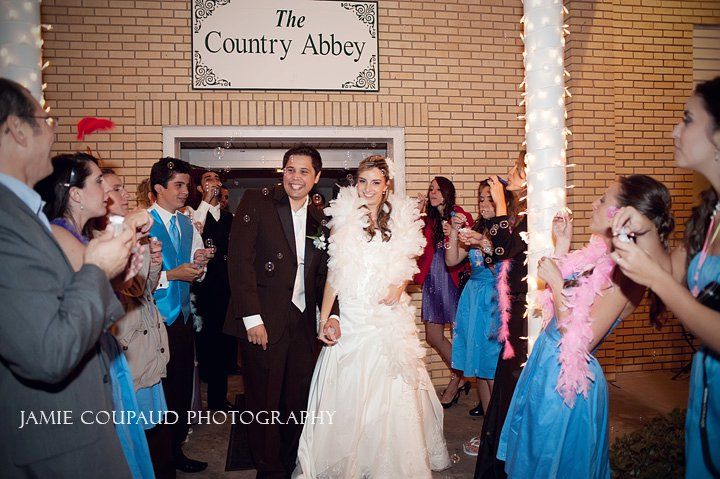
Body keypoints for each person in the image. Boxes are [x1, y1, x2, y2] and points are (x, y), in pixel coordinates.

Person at [0, 77, 143, 478]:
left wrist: (111, 277)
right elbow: (47, 352)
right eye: (43, 118)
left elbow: (57, 300)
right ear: (15, 129)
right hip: (53, 441)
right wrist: (98, 269)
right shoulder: (7, 220)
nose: (54, 129)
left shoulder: (22, 213)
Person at [497, 175, 673, 478]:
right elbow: (563, 303)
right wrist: (562, 245)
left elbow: (579, 341)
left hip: (569, 382)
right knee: (534, 457)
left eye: (604, 199)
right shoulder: (599, 256)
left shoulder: (626, 275)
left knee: (554, 463)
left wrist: (554, 281)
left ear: (623, 214)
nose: (595, 203)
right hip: (547, 364)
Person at [294, 155, 451, 478]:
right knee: (349, 391)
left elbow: (408, 261)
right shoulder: (343, 219)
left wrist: (400, 285)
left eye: (375, 182)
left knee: (393, 391)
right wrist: (325, 318)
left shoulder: (401, 220)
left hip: (387, 315)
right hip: (352, 314)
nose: (367, 188)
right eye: (362, 181)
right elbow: (335, 274)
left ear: (386, 186)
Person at [611, 76, 720, 478]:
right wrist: (643, 229)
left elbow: (664, 281)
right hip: (706, 394)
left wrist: (655, 281)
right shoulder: (709, 216)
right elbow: (671, 269)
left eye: (688, 119)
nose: (676, 130)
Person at [35, 152, 157, 479]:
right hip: (84, 349)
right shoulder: (60, 233)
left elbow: (108, 285)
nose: (107, 190)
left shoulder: (85, 233)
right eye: (99, 181)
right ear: (75, 194)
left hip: (100, 344)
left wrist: (125, 272)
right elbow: (94, 283)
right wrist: (128, 227)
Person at [223, 144, 339, 479]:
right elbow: (240, 262)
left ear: (316, 177)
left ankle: (288, 463)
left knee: (296, 401)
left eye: (304, 171)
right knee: (263, 403)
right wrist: (251, 318)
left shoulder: (322, 218)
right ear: (282, 172)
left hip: (303, 323)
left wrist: (331, 315)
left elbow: (325, 275)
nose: (295, 177)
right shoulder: (257, 203)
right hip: (263, 320)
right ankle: (268, 469)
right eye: (290, 169)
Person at [98, 169, 172, 478]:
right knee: (127, 435)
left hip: (146, 343)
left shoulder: (128, 234)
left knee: (150, 432)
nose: (126, 194)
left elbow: (143, 288)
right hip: (126, 344)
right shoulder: (99, 239)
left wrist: (152, 262)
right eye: (117, 188)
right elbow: (117, 293)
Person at [148, 157, 212, 474]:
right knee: (156, 393)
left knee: (180, 389)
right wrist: (172, 275)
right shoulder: (142, 224)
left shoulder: (187, 224)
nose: (186, 191)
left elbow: (196, 272)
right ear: (158, 188)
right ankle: (158, 461)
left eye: (187, 185)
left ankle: (175, 451)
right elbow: (132, 282)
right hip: (154, 323)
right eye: (179, 185)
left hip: (183, 321)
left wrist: (199, 264)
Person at [468, 152, 528, 479]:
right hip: (514, 308)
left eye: (515, 169)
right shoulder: (518, 216)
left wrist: (501, 209)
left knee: (510, 389)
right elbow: (505, 255)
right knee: (502, 385)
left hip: (522, 311)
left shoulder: (530, 213)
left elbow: (506, 254)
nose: (508, 173)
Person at [445, 180, 512, 456]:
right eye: (481, 198)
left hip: (494, 302)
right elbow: (451, 261)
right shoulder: (480, 228)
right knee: (480, 373)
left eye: (490, 199)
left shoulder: (507, 230)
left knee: (493, 371)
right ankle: (489, 431)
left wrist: (484, 243)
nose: (484, 204)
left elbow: (506, 261)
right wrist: (455, 234)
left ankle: (501, 437)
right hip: (473, 299)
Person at [415, 176, 473, 407]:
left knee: (458, 335)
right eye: (431, 189)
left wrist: (455, 232)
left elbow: (471, 243)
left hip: (454, 278)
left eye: (438, 189)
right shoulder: (427, 218)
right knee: (433, 336)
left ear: (448, 193)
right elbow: (415, 243)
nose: (433, 192)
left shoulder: (459, 214)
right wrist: (417, 214)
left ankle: (456, 380)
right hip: (432, 278)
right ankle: (462, 375)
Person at [192, 169, 235, 411]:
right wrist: (206, 202)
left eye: (217, 179)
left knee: (223, 347)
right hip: (202, 291)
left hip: (226, 292)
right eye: (208, 180)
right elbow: (194, 232)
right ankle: (198, 402)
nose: (214, 183)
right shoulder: (193, 215)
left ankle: (219, 400)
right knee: (205, 347)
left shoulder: (229, 218)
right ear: (199, 188)